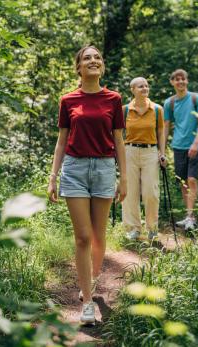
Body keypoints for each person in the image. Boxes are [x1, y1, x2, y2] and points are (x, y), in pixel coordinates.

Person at [47, 46, 126, 325]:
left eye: (97, 58)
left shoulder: (114, 99)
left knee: (98, 236)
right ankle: (88, 302)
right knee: (82, 236)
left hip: (104, 169)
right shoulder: (68, 100)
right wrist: (53, 176)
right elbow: (61, 140)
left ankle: (89, 282)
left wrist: (123, 177)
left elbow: (118, 141)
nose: (93, 61)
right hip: (75, 169)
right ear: (78, 67)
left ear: (102, 66)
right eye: (87, 58)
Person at [121, 77, 166, 242]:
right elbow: (118, 134)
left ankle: (152, 228)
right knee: (130, 191)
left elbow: (161, 132)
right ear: (132, 89)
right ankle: (133, 229)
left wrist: (162, 152)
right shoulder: (125, 110)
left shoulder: (157, 109)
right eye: (141, 86)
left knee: (151, 192)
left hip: (150, 152)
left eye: (146, 85)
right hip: (129, 151)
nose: (145, 88)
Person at [163, 69, 198, 231]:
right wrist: (162, 149)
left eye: (183, 79)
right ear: (172, 82)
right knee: (183, 182)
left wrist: (196, 143)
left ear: (187, 81)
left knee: (192, 179)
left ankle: (191, 216)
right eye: (177, 79)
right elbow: (166, 126)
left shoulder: (196, 98)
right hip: (178, 146)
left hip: (196, 145)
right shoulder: (170, 103)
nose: (180, 82)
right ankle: (188, 216)